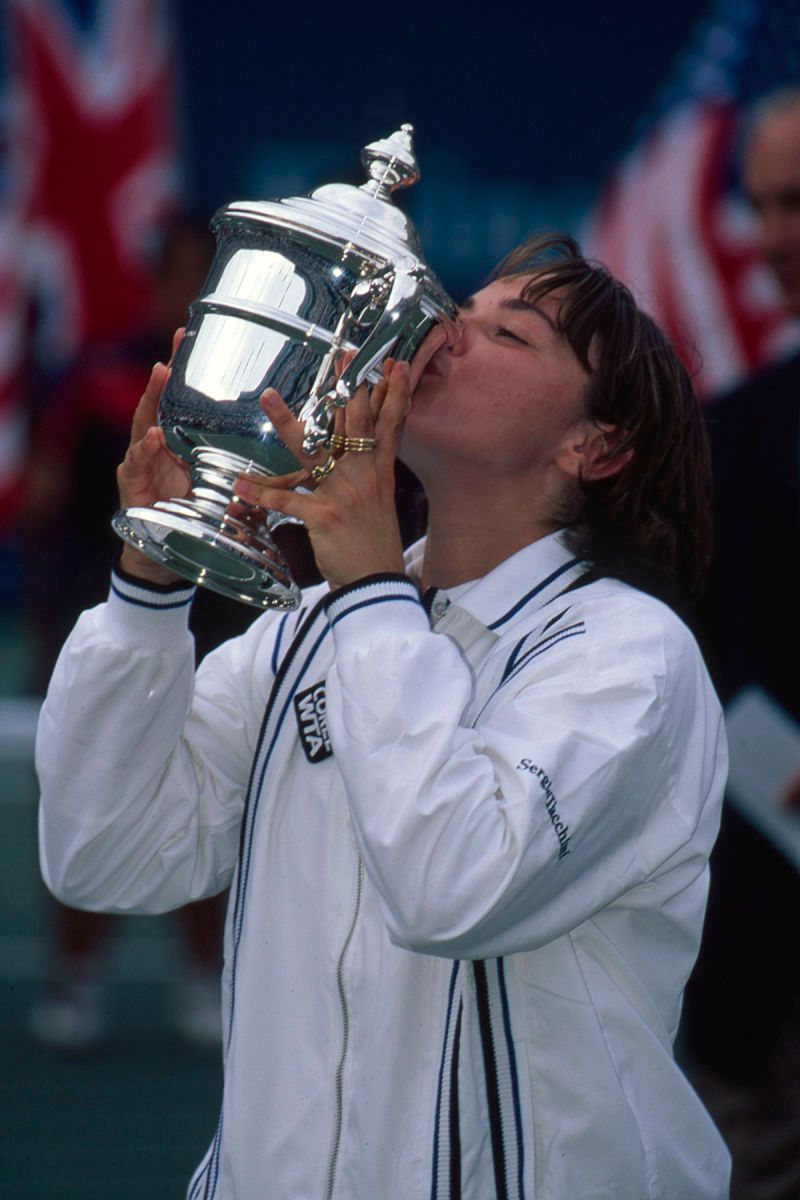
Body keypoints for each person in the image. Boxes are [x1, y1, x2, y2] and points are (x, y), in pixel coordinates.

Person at [36, 233, 731, 1198]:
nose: (451, 332)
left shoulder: (631, 657)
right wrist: (152, 577)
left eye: (513, 335)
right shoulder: (313, 630)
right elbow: (102, 855)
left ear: (597, 446)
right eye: (465, 310)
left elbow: (450, 886)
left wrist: (365, 587)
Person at [681, 89, 800, 1199]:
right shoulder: (732, 430)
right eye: (761, 206)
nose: (771, 239)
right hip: (756, 988)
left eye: (796, 203)